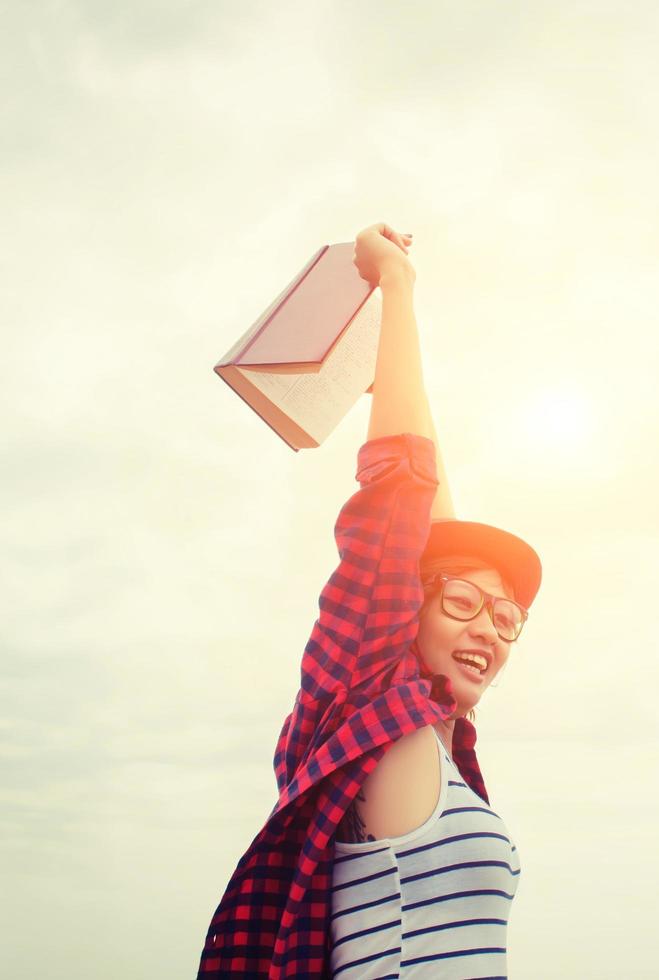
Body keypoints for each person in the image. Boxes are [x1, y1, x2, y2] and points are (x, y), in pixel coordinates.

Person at [198, 222, 543, 979]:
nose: (488, 625)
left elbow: (437, 529)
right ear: (405, 606)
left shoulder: (437, 748)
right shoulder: (379, 719)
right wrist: (397, 288)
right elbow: (401, 496)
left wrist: (392, 374)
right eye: (460, 603)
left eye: (507, 614)